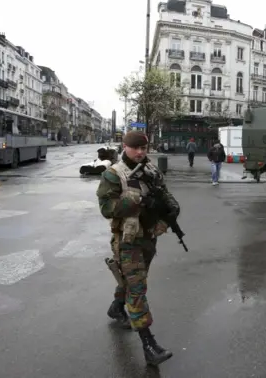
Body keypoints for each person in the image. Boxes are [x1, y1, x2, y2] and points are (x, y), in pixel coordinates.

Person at [96, 131, 179, 366]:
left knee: (132, 280)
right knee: (137, 287)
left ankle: (116, 308)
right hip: (127, 241)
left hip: (148, 238)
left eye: (144, 147)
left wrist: (172, 209)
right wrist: (138, 200)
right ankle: (149, 344)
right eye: (136, 148)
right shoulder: (114, 174)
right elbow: (106, 208)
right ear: (125, 146)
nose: (141, 152)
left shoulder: (151, 170)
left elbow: (164, 193)